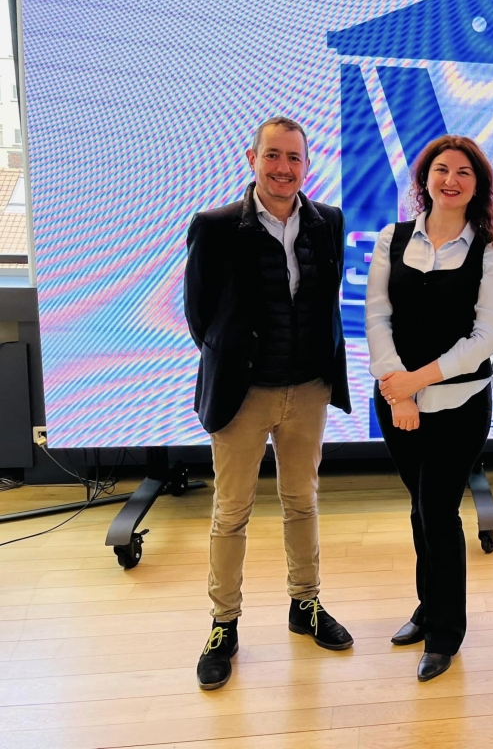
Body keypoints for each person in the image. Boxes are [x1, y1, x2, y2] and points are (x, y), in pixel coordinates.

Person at [184, 117, 353, 691]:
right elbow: (200, 318)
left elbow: (327, 301)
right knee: (231, 512)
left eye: (294, 158)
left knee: (302, 502)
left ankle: (305, 605)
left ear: (307, 164)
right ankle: (223, 624)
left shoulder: (328, 221)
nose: (284, 168)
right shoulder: (214, 226)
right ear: (252, 158)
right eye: (273, 156)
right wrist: (241, 361)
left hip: (308, 390)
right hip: (244, 394)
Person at [366, 135, 493, 681]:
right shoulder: (392, 238)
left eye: (464, 172)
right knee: (420, 507)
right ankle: (428, 608)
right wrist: (398, 389)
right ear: (425, 179)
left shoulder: (491, 250)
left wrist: (416, 384)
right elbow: (376, 316)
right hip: (396, 402)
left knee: (437, 510)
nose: (451, 180)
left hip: (460, 404)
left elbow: (484, 339)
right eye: (442, 170)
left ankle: (445, 634)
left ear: (479, 186)